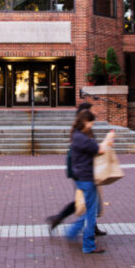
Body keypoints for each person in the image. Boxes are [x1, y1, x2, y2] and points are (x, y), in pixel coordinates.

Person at [46, 103, 108, 236]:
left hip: (83, 170)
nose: (95, 113)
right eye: (92, 111)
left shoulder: (82, 131)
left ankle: (88, 226)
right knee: (85, 202)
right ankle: (69, 227)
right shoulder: (81, 133)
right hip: (82, 172)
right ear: (85, 116)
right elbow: (95, 148)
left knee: (86, 201)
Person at [65, 110, 115, 254]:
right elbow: (99, 150)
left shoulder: (77, 135)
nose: (92, 126)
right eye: (91, 123)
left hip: (80, 177)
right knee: (91, 213)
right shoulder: (81, 137)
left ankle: (72, 232)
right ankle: (88, 244)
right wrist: (108, 138)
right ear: (85, 122)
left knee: (91, 210)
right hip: (86, 178)